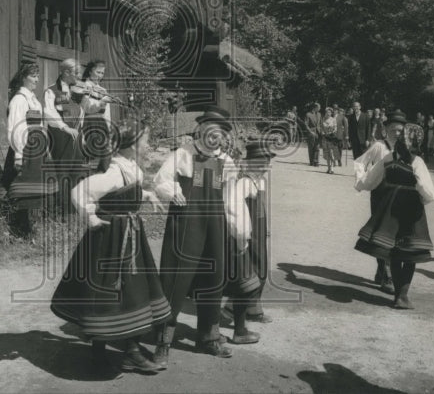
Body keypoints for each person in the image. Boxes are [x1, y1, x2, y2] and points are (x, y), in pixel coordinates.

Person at [50, 122, 168, 377]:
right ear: (131, 145)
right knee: (110, 292)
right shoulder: (115, 172)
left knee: (131, 291)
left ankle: (128, 352)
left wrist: (146, 195)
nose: (147, 145)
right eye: (145, 141)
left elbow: (126, 191)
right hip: (112, 239)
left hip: (128, 235)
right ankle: (108, 353)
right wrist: (91, 217)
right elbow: (79, 192)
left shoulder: (129, 168)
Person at [153, 106, 245, 364]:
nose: (215, 138)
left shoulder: (226, 162)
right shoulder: (183, 154)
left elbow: (231, 199)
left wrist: (239, 232)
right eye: (211, 132)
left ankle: (208, 337)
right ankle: (163, 341)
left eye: (220, 134)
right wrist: (172, 190)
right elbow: (160, 180)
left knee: (213, 278)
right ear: (201, 130)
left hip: (215, 226)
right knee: (176, 279)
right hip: (185, 224)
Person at [355, 113, 434, 309]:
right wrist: (422, 198)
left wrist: (360, 182)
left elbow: (369, 181)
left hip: (390, 209)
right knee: (410, 252)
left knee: (393, 251)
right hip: (410, 211)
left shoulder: (389, 157)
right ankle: (402, 294)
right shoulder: (417, 161)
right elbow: (429, 192)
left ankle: (398, 294)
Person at [223, 137, 275, 343]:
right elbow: (235, 208)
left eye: (267, 162)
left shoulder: (260, 180)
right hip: (249, 233)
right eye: (262, 163)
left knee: (262, 269)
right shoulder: (244, 182)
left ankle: (253, 308)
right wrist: (243, 233)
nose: (266, 167)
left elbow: (261, 207)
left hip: (260, 230)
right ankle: (232, 307)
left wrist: (266, 229)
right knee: (254, 270)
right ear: (252, 163)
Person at [2, 62, 55, 238]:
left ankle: (28, 227)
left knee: (33, 188)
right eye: (33, 76)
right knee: (19, 185)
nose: (36, 80)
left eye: (38, 76)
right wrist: (18, 154)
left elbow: (39, 125)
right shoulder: (19, 99)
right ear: (23, 77)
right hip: (24, 148)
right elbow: (16, 128)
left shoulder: (33, 99)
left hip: (36, 148)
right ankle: (15, 226)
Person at [354, 111, 399, 294]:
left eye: (400, 130)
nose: (397, 133)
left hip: (398, 195)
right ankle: (387, 273)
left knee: (394, 233)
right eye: (394, 130)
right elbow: (360, 162)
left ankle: (382, 269)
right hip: (380, 194)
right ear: (386, 130)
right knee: (380, 232)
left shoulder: (406, 147)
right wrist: (365, 181)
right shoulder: (379, 147)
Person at [43, 59, 86, 215]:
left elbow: (80, 113)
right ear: (66, 72)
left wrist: (82, 134)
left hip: (76, 138)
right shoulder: (51, 91)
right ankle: (62, 213)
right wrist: (64, 127)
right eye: (77, 73)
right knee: (62, 174)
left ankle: (74, 210)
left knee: (76, 172)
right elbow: (49, 113)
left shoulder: (75, 92)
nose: (79, 76)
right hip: (61, 138)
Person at [321, 107, 339, 174]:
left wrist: (332, 132)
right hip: (325, 138)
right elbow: (321, 128)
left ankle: (332, 168)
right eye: (327, 112)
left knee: (331, 153)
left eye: (329, 112)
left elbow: (335, 128)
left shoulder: (333, 119)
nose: (328, 113)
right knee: (326, 154)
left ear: (331, 113)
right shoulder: (323, 119)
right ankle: (328, 168)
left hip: (331, 138)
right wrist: (322, 132)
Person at [304, 103, 322, 168]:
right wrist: (310, 132)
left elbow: (320, 124)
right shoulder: (308, 114)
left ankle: (316, 161)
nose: (320, 108)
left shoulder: (319, 114)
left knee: (317, 147)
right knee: (311, 147)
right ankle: (311, 161)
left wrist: (321, 131)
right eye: (319, 107)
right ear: (315, 107)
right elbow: (306, 124)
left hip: (318, 133)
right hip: (311, 133)